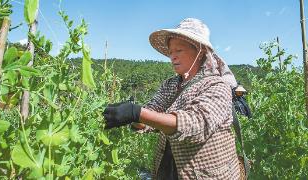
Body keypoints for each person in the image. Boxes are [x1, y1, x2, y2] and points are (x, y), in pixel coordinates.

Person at [103, 18, 241, 179]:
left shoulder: (217, 86)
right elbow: (153, 111)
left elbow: (195, 125)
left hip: (205, 174)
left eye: (179, 51)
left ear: (200, 51)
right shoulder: (171, 84)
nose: (172, 57)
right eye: (170, 52)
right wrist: (132, 117)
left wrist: (138, 113)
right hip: (168, 169)